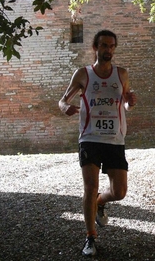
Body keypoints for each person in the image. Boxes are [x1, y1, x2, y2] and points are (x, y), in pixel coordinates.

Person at [59, 29, 137, 256]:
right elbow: (63, 100)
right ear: (95, 48)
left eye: (112, 46)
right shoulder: (83, 74)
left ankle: (100, 203)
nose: (108, 50)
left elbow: (124, 104)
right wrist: (65, 108)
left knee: (120, 191)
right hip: (90, 137)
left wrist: (129, 103)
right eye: (104, 46)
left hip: (115, 139)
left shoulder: (121, 74)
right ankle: (90, 237)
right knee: (89, 187)